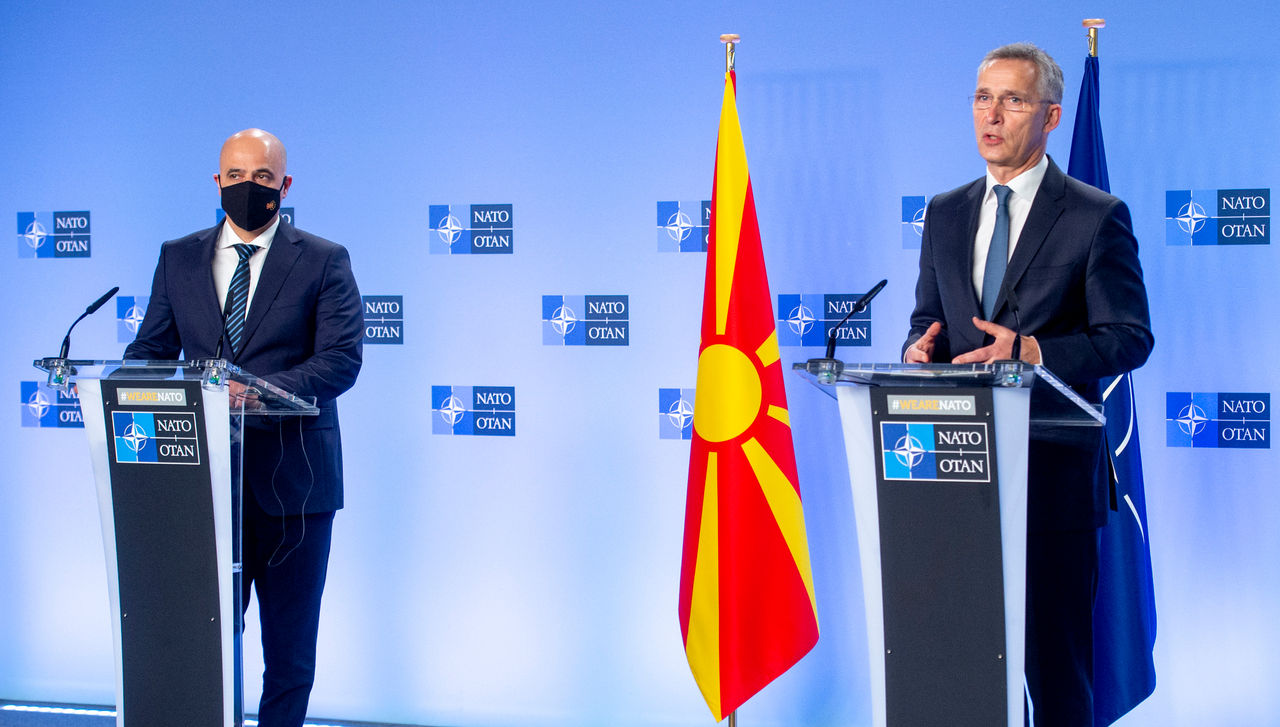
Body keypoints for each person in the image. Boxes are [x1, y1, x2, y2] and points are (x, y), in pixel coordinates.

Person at [902, 44, 1153, 725]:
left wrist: (1034, 350)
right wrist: (918, 350)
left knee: (1056, 674)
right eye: (983, 98)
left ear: (1050, 116)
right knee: (964, 672)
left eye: (1012, 100)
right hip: (955, 480)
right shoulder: (945, 213)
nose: (993, 114)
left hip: (1053, 483)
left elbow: (1130, 338)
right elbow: (929, 319)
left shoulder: (1095, 215)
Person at [125, 128, 363, 727]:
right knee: (197, 647)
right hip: (197, 486)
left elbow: (340, 359)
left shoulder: (324, 259)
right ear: (217, 182)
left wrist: (261, 396)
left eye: (262, 178)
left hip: (294, 489)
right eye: (236, 176)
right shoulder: (178, 256)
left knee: (288, 653)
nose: (247, 188)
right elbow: (151, 352)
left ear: (284, 186)